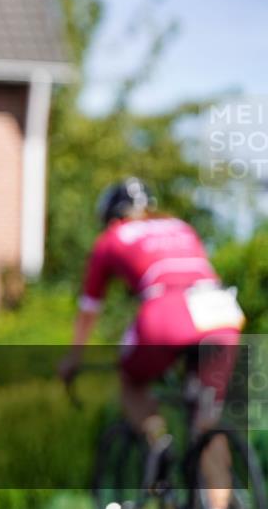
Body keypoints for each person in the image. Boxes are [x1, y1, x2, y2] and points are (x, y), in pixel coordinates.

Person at [58, 177, 245, 509]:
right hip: (220, 312)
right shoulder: (179, 226)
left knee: (131, 381)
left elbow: (89, 309)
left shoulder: (111, 238)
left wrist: (73, 358)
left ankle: (159, 442)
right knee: (207, 423)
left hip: (167, 314)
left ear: (112, 217)